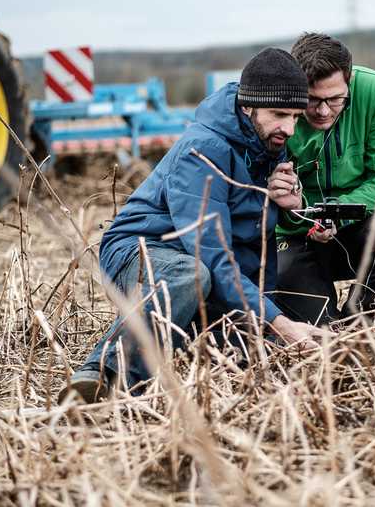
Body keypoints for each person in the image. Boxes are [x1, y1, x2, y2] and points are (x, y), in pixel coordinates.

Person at [59, 48, 330, 404]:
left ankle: (172, 337)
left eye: (295, 116)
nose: (289, 128)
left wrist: (264, 320)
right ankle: (102, 375)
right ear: (248, 106)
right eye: (279, 114)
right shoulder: (203, 150)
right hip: (142, 249)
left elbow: (253, 247)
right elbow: (213, 254)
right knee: (190, 276)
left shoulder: (268, 144)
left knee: (250, 350)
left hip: (197, 260)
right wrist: (278, 320)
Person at [267, 33, 375, 326]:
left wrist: (336, 213)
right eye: (312, 100)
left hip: (353, 228)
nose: (323, 111)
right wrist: (299, 214)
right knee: (321, 333)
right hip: (293, 239)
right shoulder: (277, 107)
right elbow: (271, 202)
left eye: (335, 99)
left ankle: (362, 318)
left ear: (350, 81)